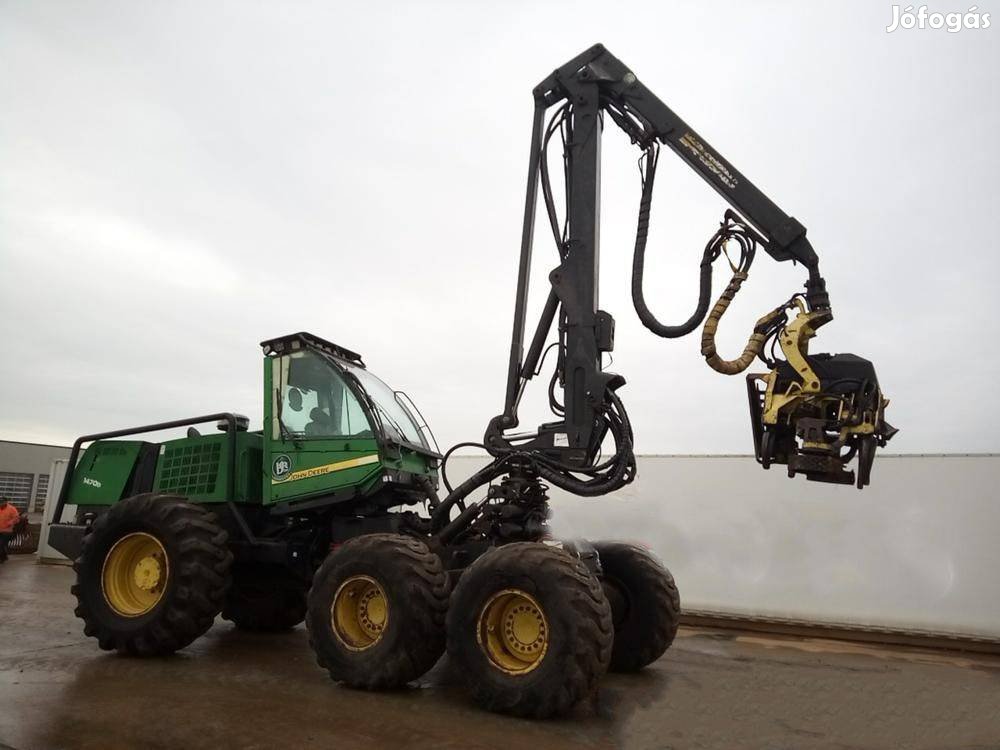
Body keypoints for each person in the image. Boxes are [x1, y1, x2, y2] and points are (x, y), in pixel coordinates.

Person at [0, 496, 21, 563]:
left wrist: (10, 522)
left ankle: (2, 558)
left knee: (1, 544)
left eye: (2, 502)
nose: (1, 503)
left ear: (6, 502)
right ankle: (4, 556)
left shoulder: (12, 509)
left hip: (7, 531)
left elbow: (17, 519)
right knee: (1, 545)